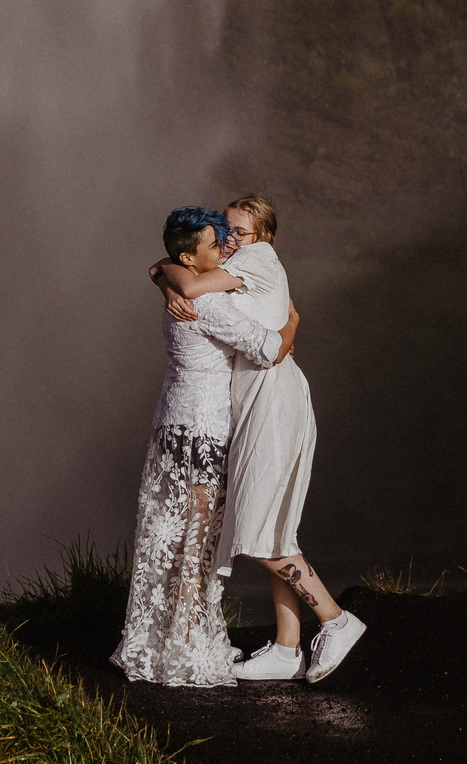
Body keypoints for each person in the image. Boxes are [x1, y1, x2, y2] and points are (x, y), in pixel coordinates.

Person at [151, 194, 366, 684]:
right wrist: (166, 273)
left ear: (264, 237)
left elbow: (189, 280)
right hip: (258, 398)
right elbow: (181, 276)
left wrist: (168, 272)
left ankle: (336, 620)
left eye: (240, 232)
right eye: (225, 230)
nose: (230, 240)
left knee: (256, 527)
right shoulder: (242, 260)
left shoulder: (257, 258)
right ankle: (287, 650)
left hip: (272, 396)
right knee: (272, 526)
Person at [111, 206, 300, 687]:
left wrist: (164, 276)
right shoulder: (208, 302)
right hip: (202, 435)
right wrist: (293, 322)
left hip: (170, 428)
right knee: (196, 546)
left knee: (167, 538)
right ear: (189, 258)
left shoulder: (180, 288)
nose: (225, 251)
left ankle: (159, 642)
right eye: (215, 245)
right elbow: (268, 349)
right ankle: (186, 648)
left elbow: (162, 267)